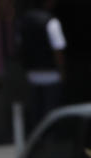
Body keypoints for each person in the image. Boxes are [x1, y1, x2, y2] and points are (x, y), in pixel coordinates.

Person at [16, 4, 66, 134]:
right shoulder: (51, 22)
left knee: (36, 114)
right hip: (52, 75)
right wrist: (62, 71)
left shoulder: (23, 21)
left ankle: (39, 141)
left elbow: (19, 46)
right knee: (50, 115)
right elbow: (58, 49)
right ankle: (49, 140)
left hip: (32, 74)